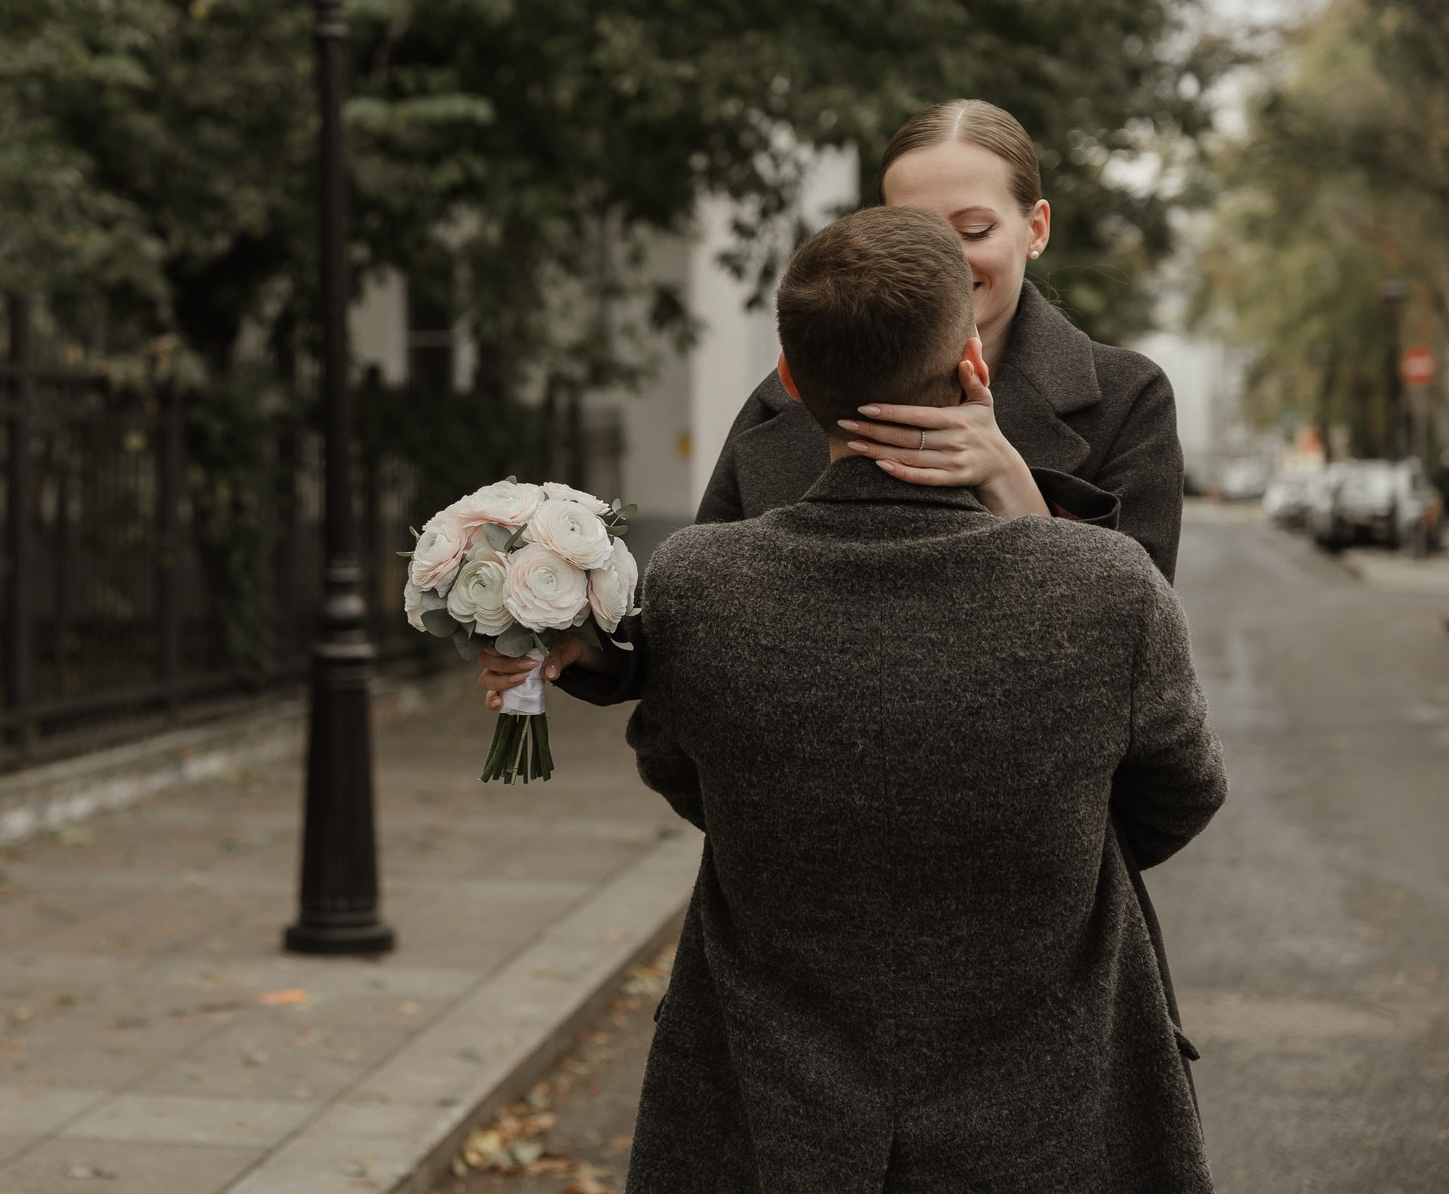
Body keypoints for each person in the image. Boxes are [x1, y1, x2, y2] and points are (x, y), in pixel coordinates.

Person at [478, 98, 1197, 1048]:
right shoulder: (787, 402)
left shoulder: (1124, 398)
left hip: (1033, 939)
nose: (944, 260)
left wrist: (1008, 476)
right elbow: (692, 642)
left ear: (1037, 226)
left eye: (972, 230)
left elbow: (1142, 662)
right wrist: (579, 648)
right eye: (914, 230)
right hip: (796, 942)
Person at [622, 205, 1225, 1192]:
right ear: (971, 370)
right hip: (1052, 1114)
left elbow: (683, 775)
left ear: (789, 380)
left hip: (768, 1117)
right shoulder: (1103, 590)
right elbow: (1179, 795)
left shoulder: (694, 584)